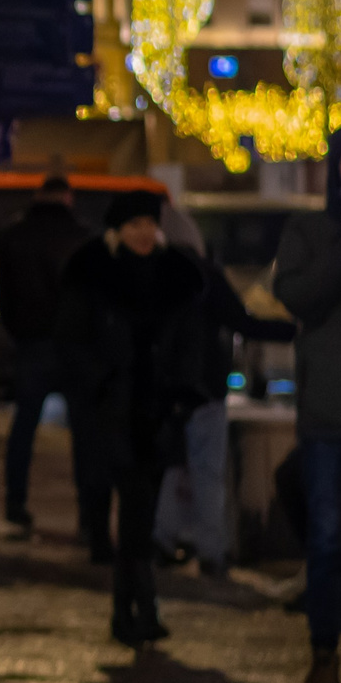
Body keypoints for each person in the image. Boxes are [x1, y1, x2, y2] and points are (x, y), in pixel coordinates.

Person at [56, 190, 206, 646]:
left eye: (149, 224)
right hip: (113, 413)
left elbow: (191, 342)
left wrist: (181, 393)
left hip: (155, 412)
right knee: (135, 513)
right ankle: (140, 609)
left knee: (139, 513)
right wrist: (99, 384)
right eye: (133, 225)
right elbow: (72, 341)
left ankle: (128, 611)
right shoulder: (92, 274)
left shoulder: (175, 277)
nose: (143, 233)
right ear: (116, 230)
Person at [268, 125, 341, 683]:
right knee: (326, 539)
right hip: (330, 414)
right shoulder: (309, 231)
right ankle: (324, 658)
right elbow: (301, 297)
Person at [155, 201, 291, 576]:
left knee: (170, 469)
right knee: (206, 471)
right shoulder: (206, 277)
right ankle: (211, 549)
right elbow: (242, 322)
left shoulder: (154, 276)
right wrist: (293, 331)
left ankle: (162, 538)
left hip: (165, 392)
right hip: (204, 388)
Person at [0, 175, 93, 535]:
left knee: (24, 426)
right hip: (75, 345)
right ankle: (88, 513)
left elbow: (2, 293)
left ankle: (16, 503)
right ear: (68, 197)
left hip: (32, 341)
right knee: (84, 432)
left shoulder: (13, 235)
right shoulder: (83, 237)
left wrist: (18, 330)